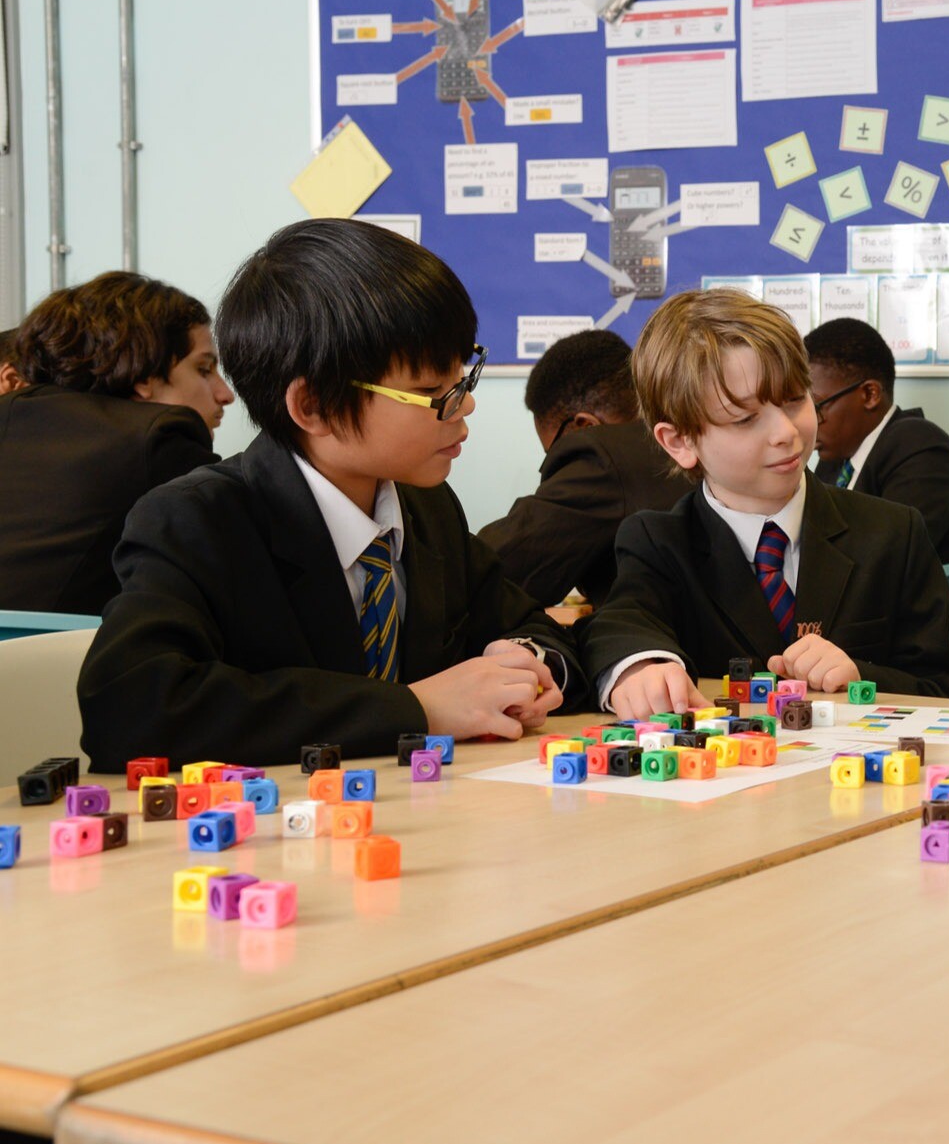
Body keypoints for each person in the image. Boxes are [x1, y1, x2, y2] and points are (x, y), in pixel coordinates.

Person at [78, 220, 582, 770]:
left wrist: (526, 661)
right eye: (431, 391)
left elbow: (525, 621)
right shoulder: (197, 520)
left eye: (463, 379)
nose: (464, 406)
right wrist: (416, 708)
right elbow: (131, 710)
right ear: (313, 406)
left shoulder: (425, 508)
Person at [582, 288, 949, 718]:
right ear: (680, 442)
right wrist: (638, 666)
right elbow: (620, 623)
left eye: (795, 399)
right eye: (745, 419)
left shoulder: (892, 532)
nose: (786, 431)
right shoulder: (659, 542)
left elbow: (948, 689)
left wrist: (862, 675)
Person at [0, 273, 225, 614]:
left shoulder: (12, 412)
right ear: (145, 376)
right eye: (204, 369)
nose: (225, 394)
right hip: (53, 663)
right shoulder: (161, 437)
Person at [476, 329, 691, 607]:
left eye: (553, 451)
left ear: (585, 427)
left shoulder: (604, 458)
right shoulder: (688, 438)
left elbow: (489, 571)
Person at [804, 317, 949, 564]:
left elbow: (888, 556)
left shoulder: (922, 448)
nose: (809, 422)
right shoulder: (834, 459)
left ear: (870, 394)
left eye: (817, 406)